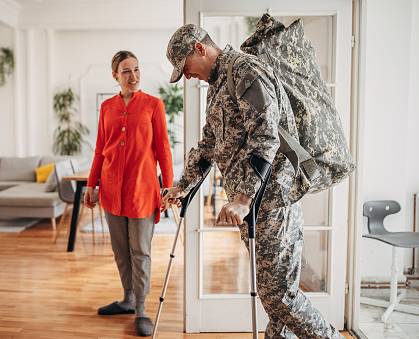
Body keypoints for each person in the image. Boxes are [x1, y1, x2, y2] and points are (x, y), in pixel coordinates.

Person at [162, 24, 344, 339]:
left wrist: (243, 199)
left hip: (271, 199)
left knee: (278, 295)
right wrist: (183, 185)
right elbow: (209, 144)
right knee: (273, 293)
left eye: (186, 68)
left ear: (200, 49)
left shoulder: (244, 69)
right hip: (256, 206)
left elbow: (266, 131)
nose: (187, 76)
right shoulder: (218, 84)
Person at [84, 50, 174, 337]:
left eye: (136, 69)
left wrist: (168, 187)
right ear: (115, 76)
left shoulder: (154, 105)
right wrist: (91, 183)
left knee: (141, 252)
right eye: (126, 71)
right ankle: (127, 298)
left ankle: (142, 310)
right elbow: (100, 149)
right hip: (110, 190)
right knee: (121, 251)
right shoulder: (107, 107)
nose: (133, 76)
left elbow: (163, 150)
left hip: (142, 191)